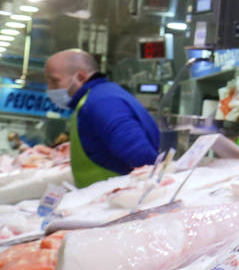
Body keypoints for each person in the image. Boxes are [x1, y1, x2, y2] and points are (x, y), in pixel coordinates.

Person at [44, 48, 161, 187]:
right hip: (104, 199)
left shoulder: (102, 102)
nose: (50, 89)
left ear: (80, 77)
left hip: (117, 200)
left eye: (54, 81)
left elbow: (142, 158)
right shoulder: (96, 97)